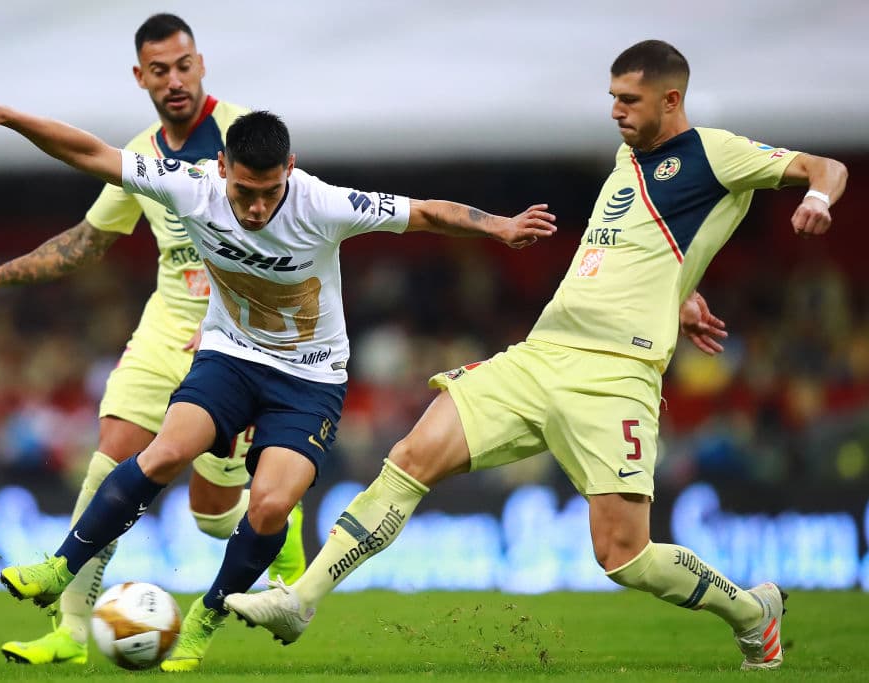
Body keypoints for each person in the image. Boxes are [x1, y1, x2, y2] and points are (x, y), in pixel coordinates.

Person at [223, 39, 848, 672]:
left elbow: (827, 167)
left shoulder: (717, 153)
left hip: (616, 376)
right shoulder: (628, 158)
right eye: (612, 99)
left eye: (629, 101)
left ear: (672, 99)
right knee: (410, 457)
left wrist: (817, 200)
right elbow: (641, 250)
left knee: (624, 556)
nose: (616, 112)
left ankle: (751, 612)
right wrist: (678, 296)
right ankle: (302, 600)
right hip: (542, 353)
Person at [0, 89, 561, 672]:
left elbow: (425, 212)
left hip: (309, 380)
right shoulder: (190, 189)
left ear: (290, 169)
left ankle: (203, 624)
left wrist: (498, 226)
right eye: (245, 191)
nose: (258, 207)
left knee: (269, 506)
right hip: (230, 357)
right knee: (164, 451)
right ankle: (59, 567)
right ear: (222, 168)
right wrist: (8, 117)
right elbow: (90, 152)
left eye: (270, 192)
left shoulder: (323, 203)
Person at [0, 14, 305, 666]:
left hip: (236, 332)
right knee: (112, 453)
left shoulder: (244, 134)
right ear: (142, 77)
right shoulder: (142, 153)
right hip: (165, 327)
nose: (175, 79)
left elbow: (292, 235)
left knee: (214, 515)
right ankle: (72, 629)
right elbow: (87, 241)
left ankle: (280, 520)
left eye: (184, 64)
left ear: (201, 64)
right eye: (160, 70)